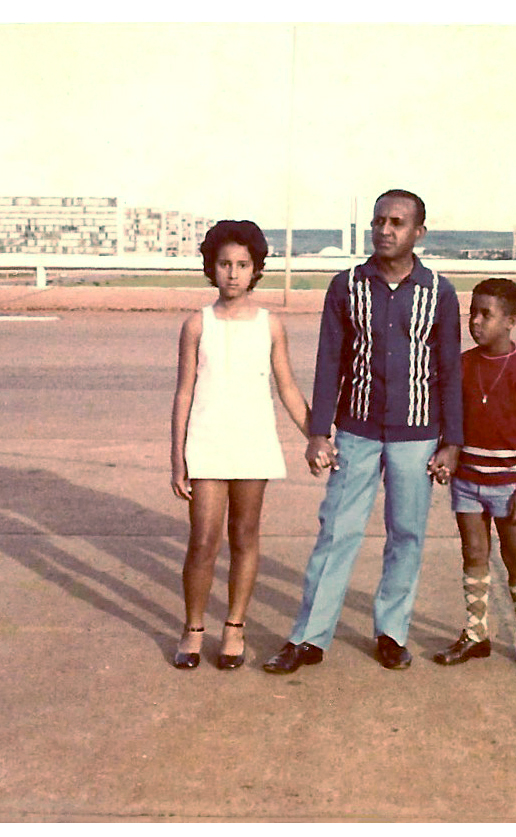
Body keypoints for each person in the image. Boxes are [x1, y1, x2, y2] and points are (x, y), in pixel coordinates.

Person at [263, 189, 463, 674]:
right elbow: (329, 360)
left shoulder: (439, 291)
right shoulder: (346, 285)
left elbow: (450, 369)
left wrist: (453, 441)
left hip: (417, 435)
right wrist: (318, 432)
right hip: (356, 430)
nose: (385, 230)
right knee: (338, 532)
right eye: (379, 221)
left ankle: (392, 632)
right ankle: (309, 638)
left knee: (407, 534)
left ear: (419, 232)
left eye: (397, 222)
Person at [170, 219, 324, 670]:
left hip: (253, 442)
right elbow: (183, 393)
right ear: (210, 267)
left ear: (256, 269)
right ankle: (193, 627)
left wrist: (316, 436)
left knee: (245, 536)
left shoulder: (270, 325)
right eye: (224, 264)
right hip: (207, 443)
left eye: (242, 265)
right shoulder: (196, 325)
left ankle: (234, 626)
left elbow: (289, 388)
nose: (233, 274)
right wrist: (176, 458)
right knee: (203, 540)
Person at [431, 278, 516, 674]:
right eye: (473, 312)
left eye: (487, 314)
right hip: (468, 480)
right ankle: (475, 634)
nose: (476, 322)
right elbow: (449, 417)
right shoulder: (463, 365)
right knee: (474, 553)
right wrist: (444, 453)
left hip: (509, 485)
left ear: (511, 320)